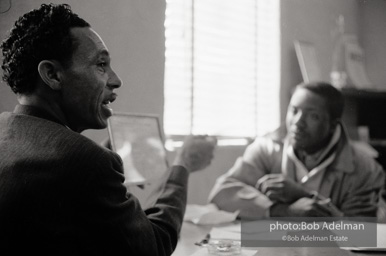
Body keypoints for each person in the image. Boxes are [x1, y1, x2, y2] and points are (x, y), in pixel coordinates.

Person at [0, 4, 216, 255]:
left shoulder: (7, 131)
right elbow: (155, 246)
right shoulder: (84, 163)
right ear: (52, 74)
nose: (116, 80)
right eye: (101, 65)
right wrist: (183, 165)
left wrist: (99, 155)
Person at [209, 82, 384, 219]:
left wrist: (304, 195)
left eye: (312, 116)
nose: (298, 122)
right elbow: (221, 194)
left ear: (332, 125)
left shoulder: (365, 168)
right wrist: (282, 210)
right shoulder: (266, 148)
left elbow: (363, 234)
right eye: (294, 111)